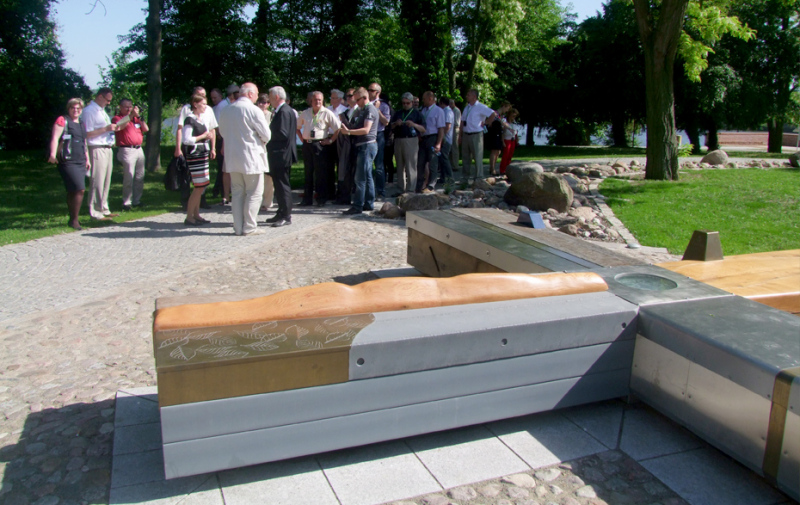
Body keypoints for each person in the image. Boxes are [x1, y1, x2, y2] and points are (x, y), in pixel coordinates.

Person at [218, 82, 271, 235]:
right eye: (256, 94)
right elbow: (266, 135)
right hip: (251, 157)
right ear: (250, 94)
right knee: (254, 193)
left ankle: (238, 227)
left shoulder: (226, 109)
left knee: (237, 193)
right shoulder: (253, 110)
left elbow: (222, 132)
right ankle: (249, 227)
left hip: (232, 157)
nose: (257, 97)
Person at [47, 98, 91, 230]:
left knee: (73, 190)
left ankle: (72, 218)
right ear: (69, 108)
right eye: (73, 108)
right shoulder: (63, 120)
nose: (76, 110)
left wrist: (87, 159)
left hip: (80, 160)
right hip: (67, 160)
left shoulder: (81, 123)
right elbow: (55, 138)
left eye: (78, 108)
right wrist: (52, 155)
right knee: (80, 188)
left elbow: (84, 142)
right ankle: (75, 220)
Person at [174, 86, 218, 210]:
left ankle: (198, 206)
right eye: (200, 96)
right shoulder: (188, 113)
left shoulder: (206, 112)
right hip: (193, 150)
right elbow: (184, 134)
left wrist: (212, 147)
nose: (204, 100)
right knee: (191, 178)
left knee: (202, 181)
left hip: (203, 149)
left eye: (204, 95)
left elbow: (212, 129)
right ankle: (188, 205)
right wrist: (178, 147)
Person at [296, 91, 341, 207]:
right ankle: (307, 199)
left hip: (320, 145)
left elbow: (338, 129)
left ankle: (321, 199)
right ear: (311, 101)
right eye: (315, 100)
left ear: (323, 101)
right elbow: (297, 127)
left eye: (320, 100)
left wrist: (330, 141)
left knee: (320, 173)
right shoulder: (305, 113)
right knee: (308, 172)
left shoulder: (327, 113)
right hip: (307, 145)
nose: (317, 102)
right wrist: (302, 139)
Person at [81, 87, 119, 221]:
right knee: (97, 180)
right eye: (107, 100)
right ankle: (95, 211)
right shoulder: (89, 111)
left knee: (106, 180)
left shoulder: (102, 111)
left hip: (107, 147)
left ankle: (104, 207)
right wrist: (106, 129)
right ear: (100, 97)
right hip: (96, 147)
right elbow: (86, 134)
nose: (109, 103)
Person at [339, 87, 378, 215]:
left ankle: (357, 205)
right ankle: (368, 203)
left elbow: (366, 130)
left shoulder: (369, 110)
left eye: (357, 100)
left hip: (367, 145)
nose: (356, 102)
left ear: (364, 98)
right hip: (364, 145)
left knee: (360, 178)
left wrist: (349, 132)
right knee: (367, 176)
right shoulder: (363, 110)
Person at [181, 94, 216, 226]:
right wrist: (203, 136)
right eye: (203, 104)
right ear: (195, 104)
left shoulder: (200, 119)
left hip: (202, 153)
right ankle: (189, 216)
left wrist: (208, 137)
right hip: (195, 155)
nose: (205, 107)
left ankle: (196, 214)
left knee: (202, 186)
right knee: (198, 186)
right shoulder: (190, 120)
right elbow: (186, 139)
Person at [266, 85, 297, 227]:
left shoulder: (284, 111)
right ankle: (281, 211)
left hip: (281, 154)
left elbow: (283, 133)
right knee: (278, 184)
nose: (269, 100)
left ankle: (286, 215)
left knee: (282, 185)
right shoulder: (283, 110)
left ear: (276, 97)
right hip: (279, 154)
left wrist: (266, 135)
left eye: (270, 97)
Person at [112, 99, 149, 211]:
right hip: (127, 149)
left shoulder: (135, 119)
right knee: (129, 176)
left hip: (138, 149)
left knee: (139, 176)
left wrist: (139, 117)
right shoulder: (117, 118)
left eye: (130, 107)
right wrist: (131, 115)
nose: (129, 109)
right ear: (120, 107)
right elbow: (119, 126)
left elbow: (146, 129)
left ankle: (137, 200)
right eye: (126, 107)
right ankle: (126, 202)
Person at [390, 92, 425, 193]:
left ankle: (411, 189)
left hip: (411, 140)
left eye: (407, 103)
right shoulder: (398, 113)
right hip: (398, 139)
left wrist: (413, 124)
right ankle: (401, 188)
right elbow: (390, 126)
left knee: (411, 165)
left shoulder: (417, 114)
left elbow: (423, 129)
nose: (405, 105)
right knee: (400, 165)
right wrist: (396, 124)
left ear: (412, 103)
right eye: (403, 103)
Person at [459, 89, 497, 182]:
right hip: (466, 134)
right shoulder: (467, 107)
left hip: (476, 135)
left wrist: (486, 122)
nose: (466, 96)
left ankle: (479, 177)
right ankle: (465, 178)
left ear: (474, 97)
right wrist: (460, 135)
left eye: (468, 95)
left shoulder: (481, 107)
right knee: (465, 157)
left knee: (477, 156)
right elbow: (462, 122)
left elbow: (493, 114)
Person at [416, 91, 446, 193]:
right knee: (420, 162)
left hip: (433, 138)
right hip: (423, 138)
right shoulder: (423, 110)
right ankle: (419, 185)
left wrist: (438, 143)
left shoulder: (438, 111)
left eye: (424, 99)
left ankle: (431, 185)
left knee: (433, 162)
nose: (423, 101)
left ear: (430, 98)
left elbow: (441, 128)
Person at [367, 83, 391, 199]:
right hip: (367, 135)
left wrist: (377, 110)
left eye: (371, 90)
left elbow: (386, 122)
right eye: (368, 90)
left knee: (379, 165)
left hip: (378, 134)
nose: (369, 92)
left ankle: (380, 191)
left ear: (378, 92)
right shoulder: (366, 104)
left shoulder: (384, 105)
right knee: (367, 165)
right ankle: (368, 191)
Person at [335, 88, 358, 205]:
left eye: (351, 95)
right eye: (347, 96)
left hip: (355, 143)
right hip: (345, 143)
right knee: (345, 170)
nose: (348, 98)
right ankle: (344, 196)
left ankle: (356, 197)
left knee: (355, 171)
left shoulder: (360, 111)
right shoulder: (347, 111)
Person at [256, 93, 275, 213]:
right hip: (256, 147)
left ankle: (267, 202)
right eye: (260, 102)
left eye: (265, 102)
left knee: (268, 177)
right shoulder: (254, 114)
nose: (263, 105)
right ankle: (257, 201)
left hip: (268, 148)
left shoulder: (271, 115)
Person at [486, 101, 511, 175]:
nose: (507, 111)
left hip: (499, 133)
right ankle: (492, 168)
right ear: (504, 106)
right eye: (507, 108)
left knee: (498, 152)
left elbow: (504, 124)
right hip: (494, 133)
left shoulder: (501, 116)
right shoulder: (495, 114)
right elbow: (489, 123)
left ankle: (493, 167)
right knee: (494, 151)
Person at [437, 97, 454, 184]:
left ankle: (449, 177)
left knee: (444, 158)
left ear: (442, 103)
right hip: (444, 138)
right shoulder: (444, 111)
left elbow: (447, 126)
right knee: (441, 159)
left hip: (446, 139)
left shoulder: (448, 112)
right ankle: (443, 177)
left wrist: (442, 136)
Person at [499, 108, 520, 174]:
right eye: (513, 116)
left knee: (510, 155)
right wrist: (503, 141)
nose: (514, 117)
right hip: (506, 139)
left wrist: (517, 139)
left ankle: (508, 168)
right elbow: (502, 132)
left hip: (512, 139)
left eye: (515, 116)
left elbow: (515, 131)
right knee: (506, 155)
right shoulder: (505, 121)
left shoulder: (514, 122)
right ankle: (502, 169)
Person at [450, 101, 461, 172]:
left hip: (455, 129)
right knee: (451, 148)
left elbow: (456, 122)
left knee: (455, 148)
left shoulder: (456, 110)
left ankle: (455, 165)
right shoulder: (451, 110)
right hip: (451, 129)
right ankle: (451, 164)